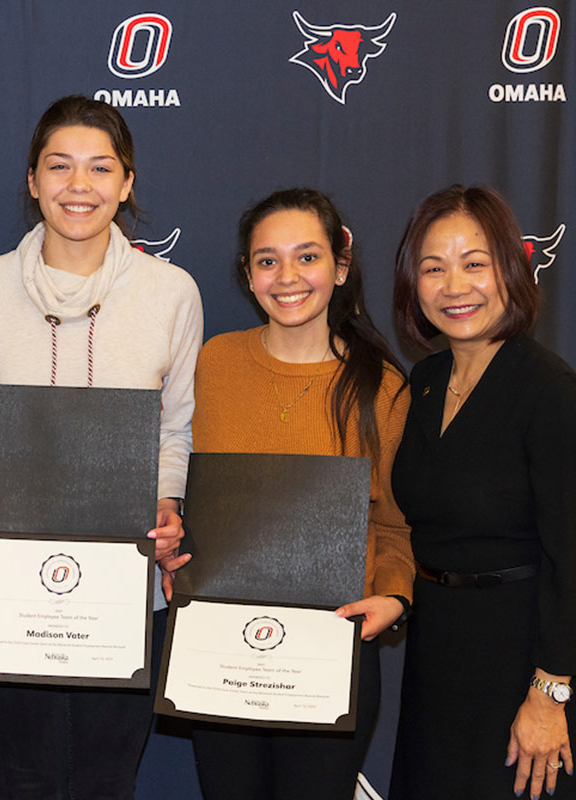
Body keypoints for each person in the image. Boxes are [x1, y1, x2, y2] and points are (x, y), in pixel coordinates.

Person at [0, 94, 203, 799]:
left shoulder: (171, 293)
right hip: (8, 586)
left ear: (126, 183)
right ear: (32, 181)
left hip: (126, 588)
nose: (78, 186)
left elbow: (174, 427)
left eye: (99, 168)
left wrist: (165, 502)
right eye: (59, 167)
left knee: (106, 780)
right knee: (20, 778)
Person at [175, 187, 413, 799]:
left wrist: (393, 595)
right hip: (222, 648)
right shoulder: (214, 363)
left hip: (332, 650)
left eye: (307, 257)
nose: (287, 278)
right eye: (267, 260)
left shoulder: (381, 386)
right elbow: (190, 493)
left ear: (340, 266)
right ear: (248, 276)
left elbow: (395, 526)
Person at [388, 184, 576, 800]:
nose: (454, 286)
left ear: (511, 271)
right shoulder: (428, 380)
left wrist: (550, 692)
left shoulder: (556, 397)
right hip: (439, 654)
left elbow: (574, 563)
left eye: (475, 264)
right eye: (433, 267)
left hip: (526, 664)